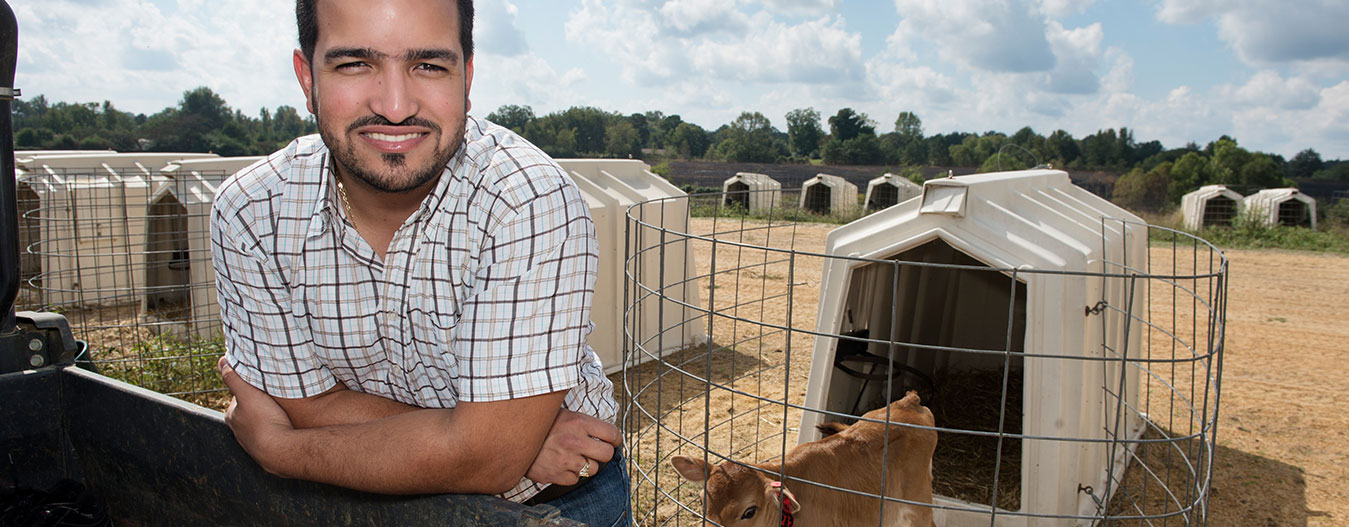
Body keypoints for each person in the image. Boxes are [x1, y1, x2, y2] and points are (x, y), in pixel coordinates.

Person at [209, 0, 629, 525]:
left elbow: (487, 459)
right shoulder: (251, 214)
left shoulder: (528, 201)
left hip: (557, 499)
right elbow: (305, 406)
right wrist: (493, 441)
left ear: (467, 77)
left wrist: (280, 450)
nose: (394, 104)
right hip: (358, 500)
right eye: (354, 64)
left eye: (428, 65)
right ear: (306, 77)